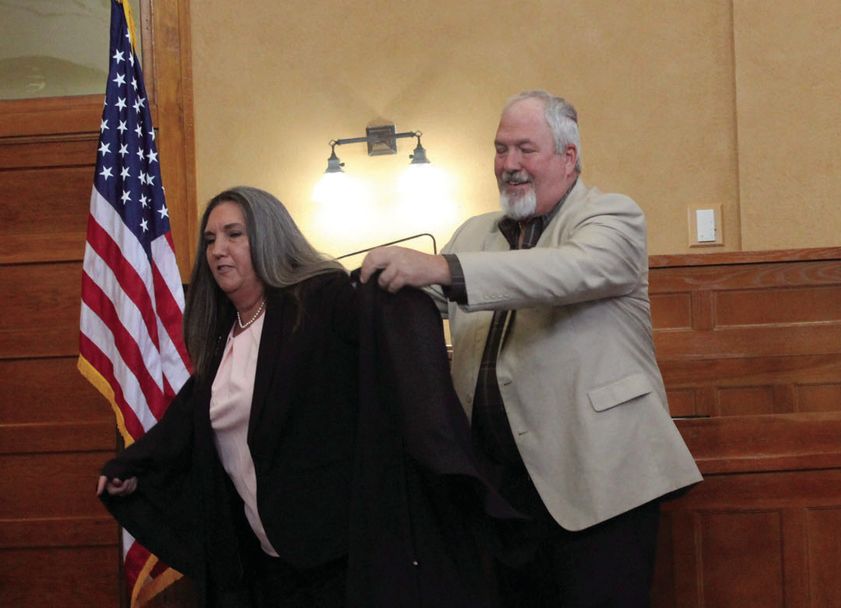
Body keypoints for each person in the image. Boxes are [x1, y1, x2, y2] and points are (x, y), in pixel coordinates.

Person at [361, 90, 702, 607]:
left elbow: (561, 271)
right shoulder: (475, 233)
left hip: (600, 482)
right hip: (502, 493)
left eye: (526, 149)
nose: (509, 165)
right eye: (500, 150)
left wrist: (443, 268)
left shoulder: (612, 219)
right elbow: (420, 302)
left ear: (568, 158)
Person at [97, 186, 358, 607]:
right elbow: (188, 418)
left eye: (234, 234)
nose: (218, 250)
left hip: (336, 556)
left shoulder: (316, 306)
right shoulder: (224, 336)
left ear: (268, 237)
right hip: (264, 562)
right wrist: (132, 466)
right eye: (210, 239)